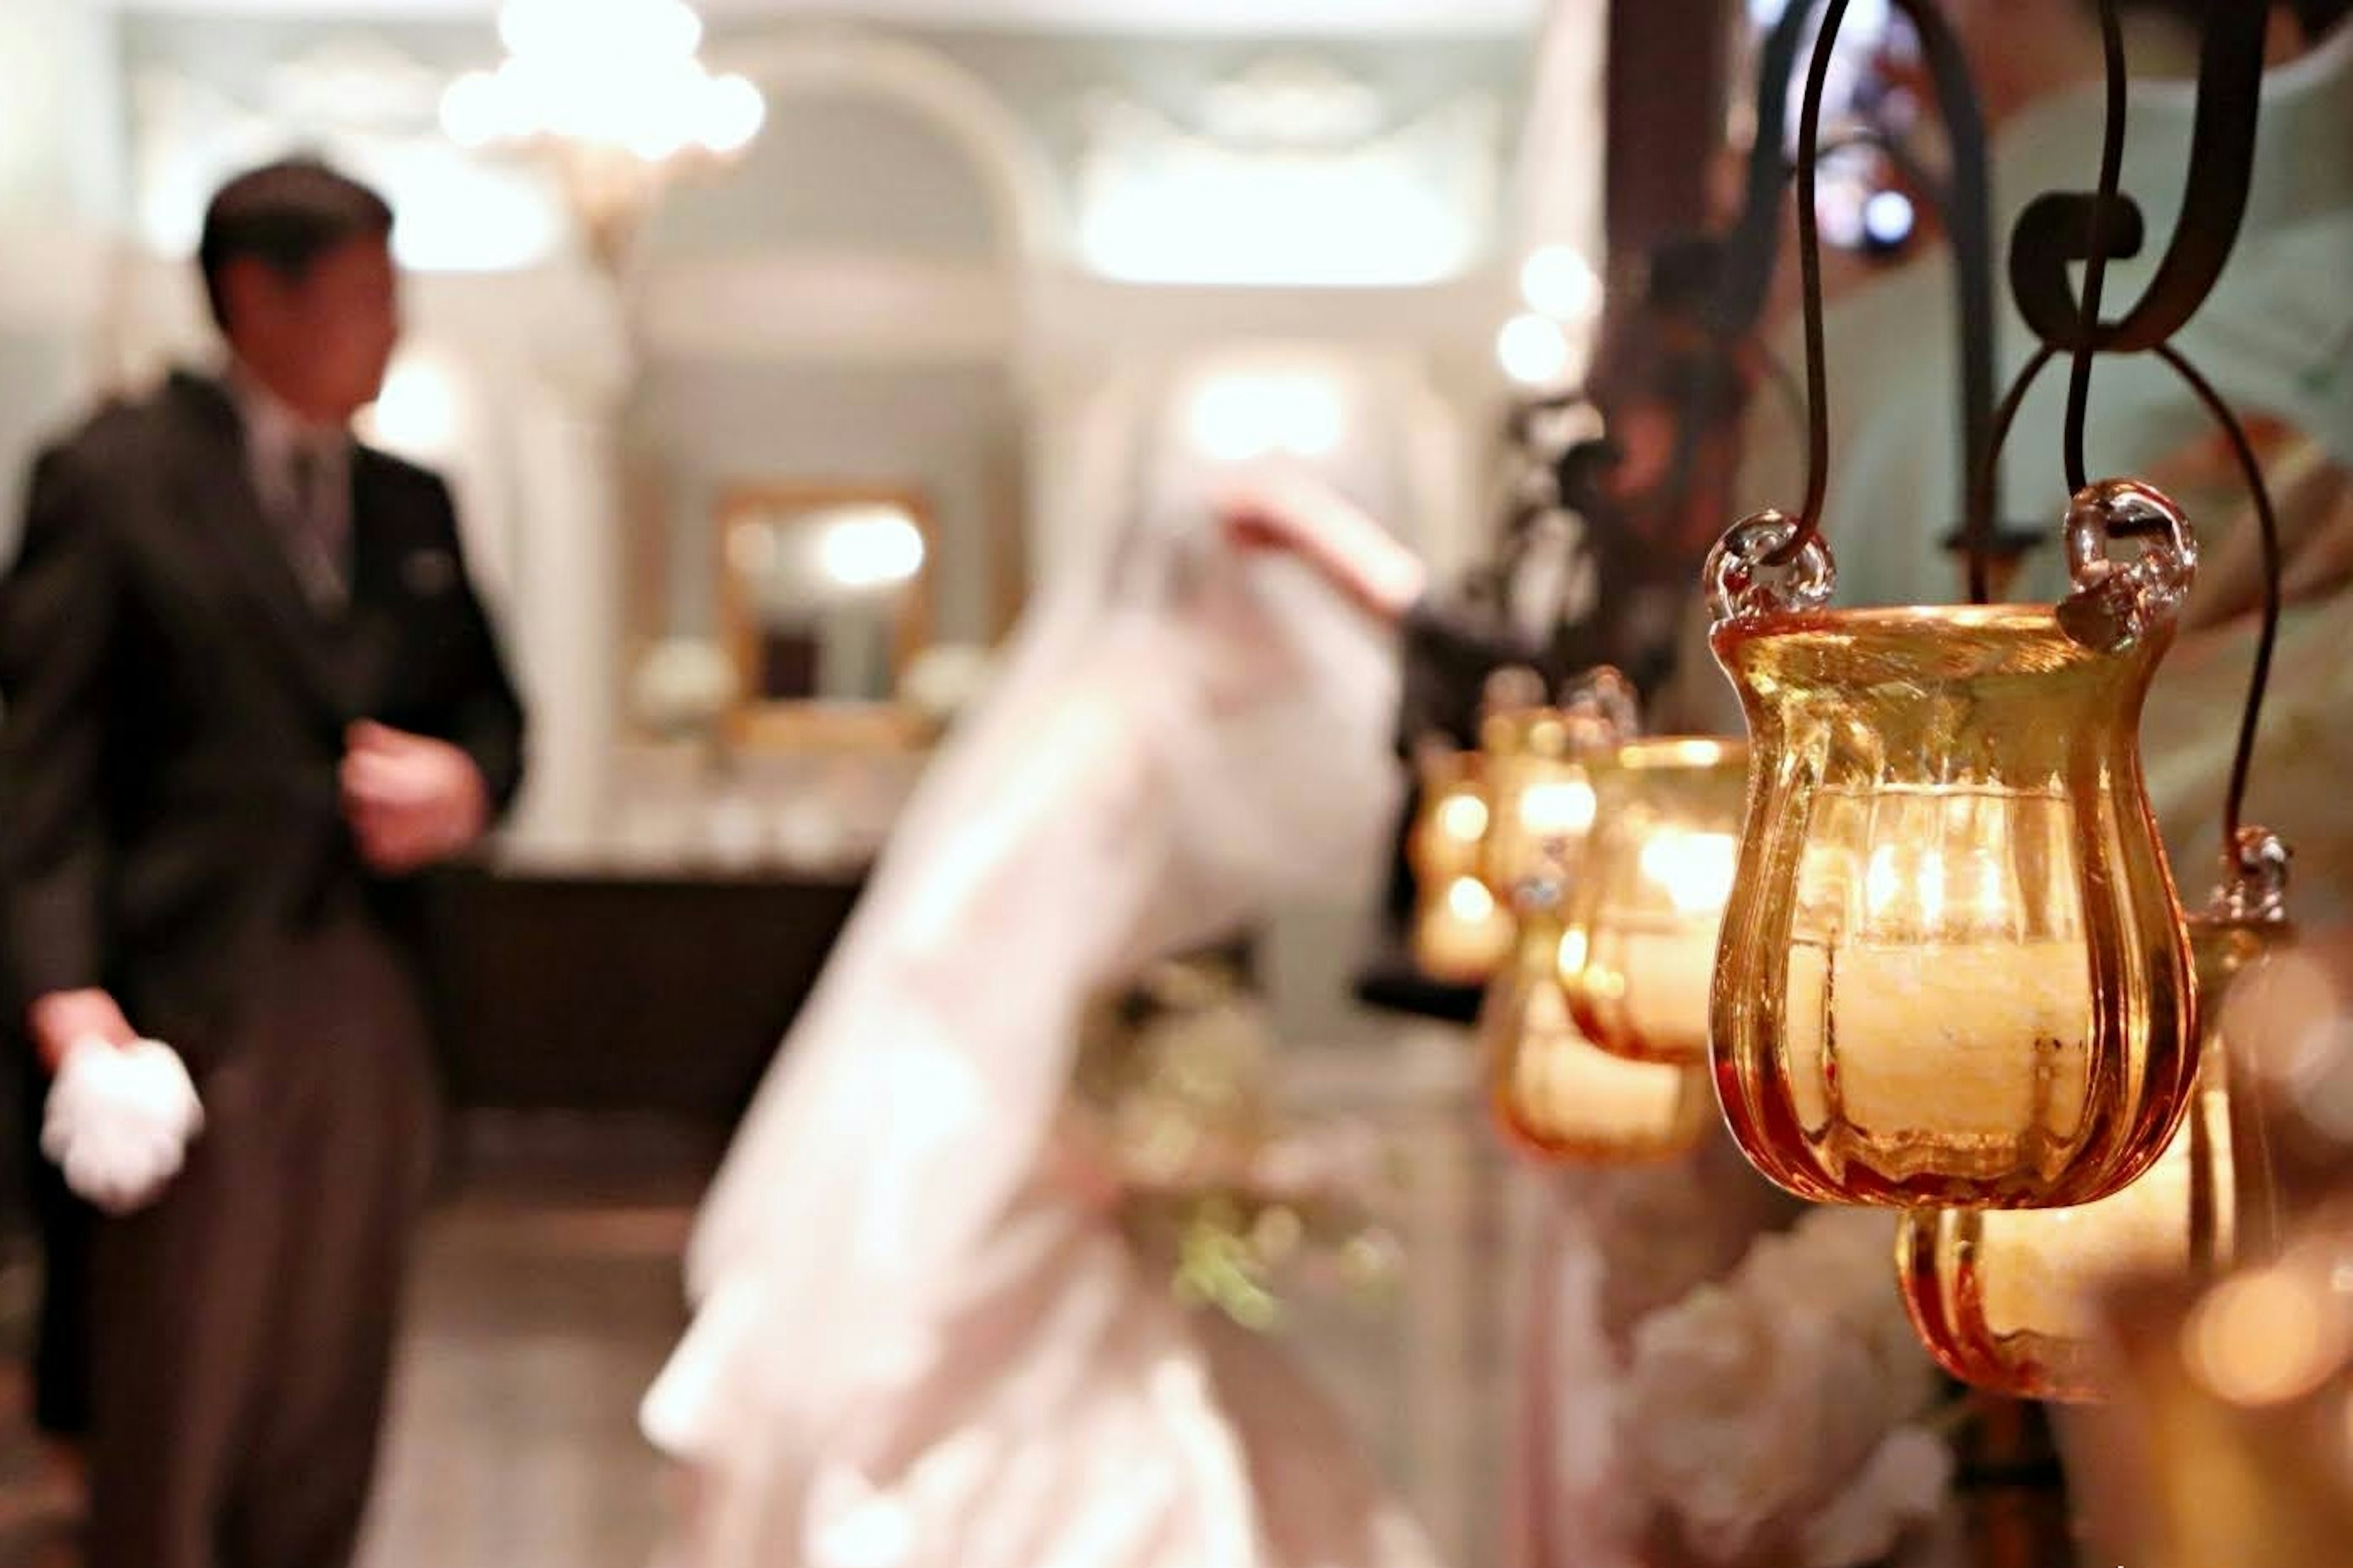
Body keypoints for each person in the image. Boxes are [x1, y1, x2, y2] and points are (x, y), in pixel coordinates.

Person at [638, 471, 1436, 1568]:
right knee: (993, 1386)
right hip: (984, 1104)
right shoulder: (1119, 733)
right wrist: (1070, 1128)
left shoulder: (1124, 713)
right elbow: (970, 942)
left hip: (1006, 1082)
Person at [0, 158, 526, 1568]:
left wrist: (464, 786)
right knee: (181, 1390)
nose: (394, 329)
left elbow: (496, 716)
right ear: (254, 295)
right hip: (186, 1000)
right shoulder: (113, 479)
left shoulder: (413, 503)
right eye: (367, 297)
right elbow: (34, 768)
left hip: (378, 992)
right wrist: (65, 1005)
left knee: (331, 1381)